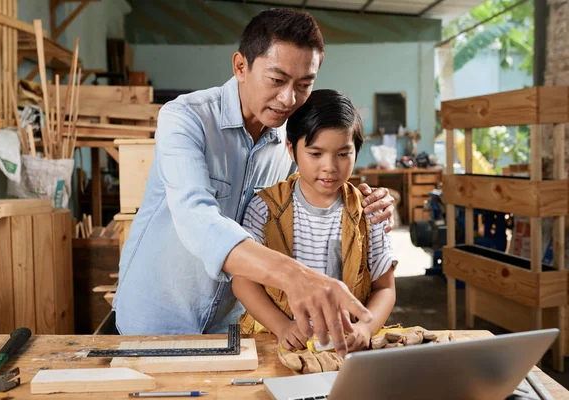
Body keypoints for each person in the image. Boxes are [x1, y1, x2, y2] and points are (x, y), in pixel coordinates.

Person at [113, 8, 395, 357]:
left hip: (230, 327)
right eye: (277, 80)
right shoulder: (186, 118)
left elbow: (309, 189)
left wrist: (369, 199)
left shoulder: (286, 142)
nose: (289, 99)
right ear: (240, 66)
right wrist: (294, 276)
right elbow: (195, 218)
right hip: (156, 318)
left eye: (304, 85)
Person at [234, 89, 397, 352]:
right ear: (291, 149)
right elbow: (243, 281)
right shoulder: (264, 208)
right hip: (276, 341)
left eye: (343, 154)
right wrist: (282, 326)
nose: (330, 167)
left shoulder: (370, 211)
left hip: (347, 346)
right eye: (316, 153)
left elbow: (385, 288)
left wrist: (366, 328)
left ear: (357, 151)